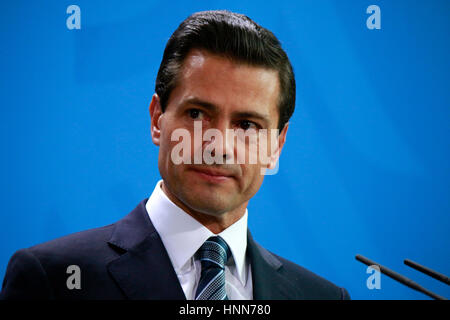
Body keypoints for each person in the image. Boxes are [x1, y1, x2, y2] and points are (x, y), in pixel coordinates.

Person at [0, 10, 350, 300]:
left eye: (246, 125)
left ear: (275, 146)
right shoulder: (52, 279)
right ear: (157, 119)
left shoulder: (322, 297)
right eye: (197, 114)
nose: (219, 146)